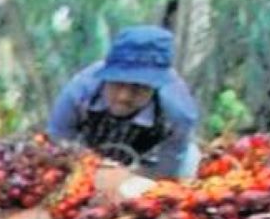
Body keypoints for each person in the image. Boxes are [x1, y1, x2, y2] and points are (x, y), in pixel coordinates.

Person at [48, 25, 200, 179]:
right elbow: (58, 141)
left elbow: (166, 167)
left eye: (138, 87)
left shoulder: (178, 113)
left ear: (154, 87)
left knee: (189, 162)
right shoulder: (79, 92)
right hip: (87, 158)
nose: (124, 97)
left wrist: (127, 181)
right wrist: (90, 168)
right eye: (117, 83)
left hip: (144, 163)